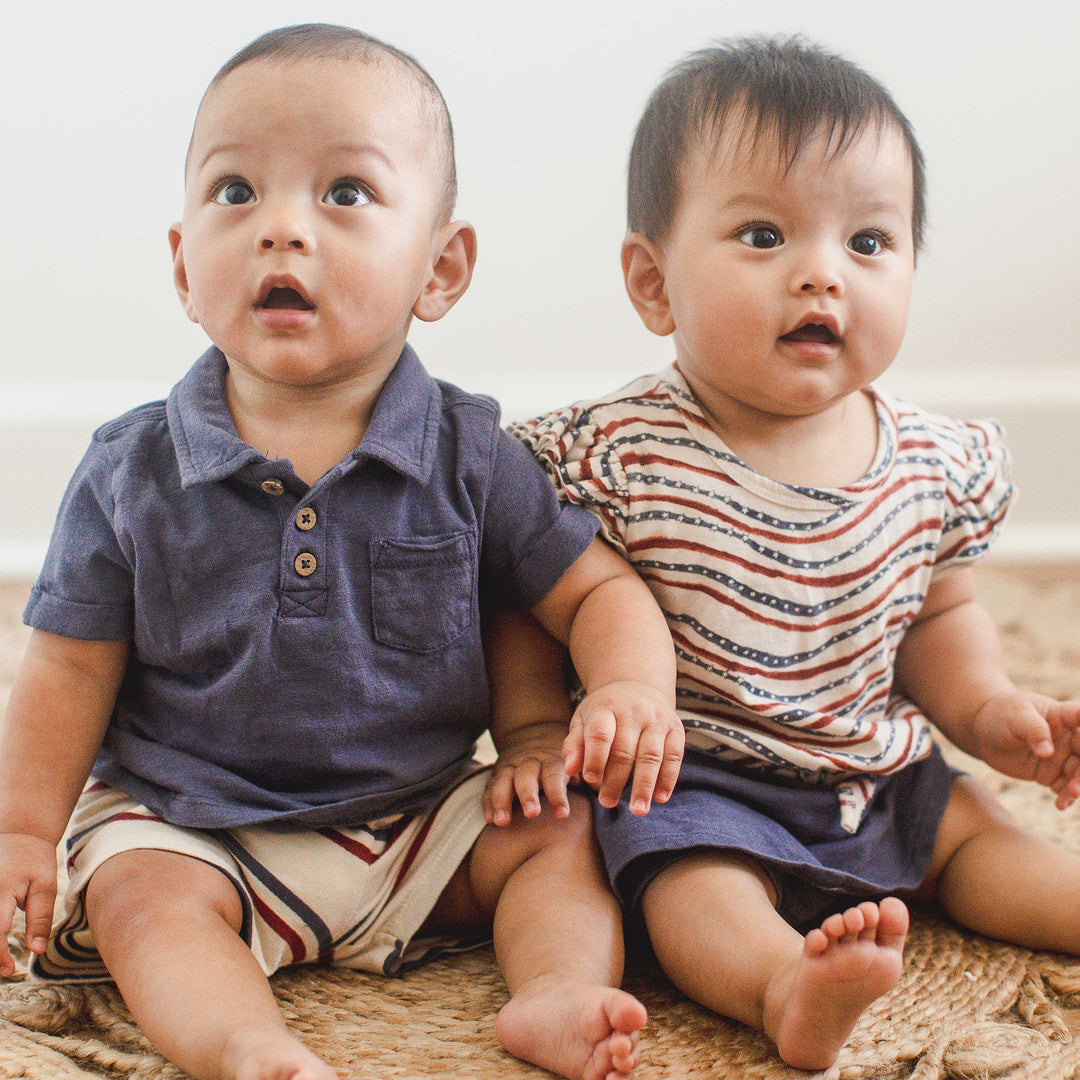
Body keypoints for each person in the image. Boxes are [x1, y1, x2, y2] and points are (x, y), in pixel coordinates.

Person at [0, 24, 687, 1080]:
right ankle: (246, 1047)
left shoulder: (472, 453)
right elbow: (67, 667)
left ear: (440, 267)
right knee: (140, 897)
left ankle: (553, 993)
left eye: (346, 195)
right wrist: (20, 832)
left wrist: (625, 691)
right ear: (185, 265)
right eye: (236, 192)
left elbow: (594, 589)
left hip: (422, 818)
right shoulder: (132, 471)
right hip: (197, 822)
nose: (281, 230)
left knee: (562, 834)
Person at [504, 35, 1080, 1072]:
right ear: (654, 282)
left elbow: (940, 619)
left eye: (869, 242)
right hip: (700, 781)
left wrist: (993, 712)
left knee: (986, 842)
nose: (823, 272)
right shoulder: (611, 455)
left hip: (877, 770)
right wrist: (540, 729)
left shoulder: (936, 461)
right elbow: (537, 594)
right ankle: (785, 985)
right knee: (690, 889)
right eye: (765, 234)